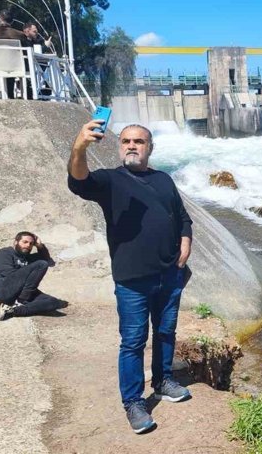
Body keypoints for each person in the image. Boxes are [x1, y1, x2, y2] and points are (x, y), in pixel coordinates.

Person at [67, 121, 193, 434]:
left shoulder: (163, 179)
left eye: (139, 141)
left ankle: (163, 380)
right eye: (126, 141)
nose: (132, 145)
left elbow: (182, 217)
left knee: (165, 331)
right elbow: (78, 181)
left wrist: (185, 242)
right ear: (118, 145)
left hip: (169, 275)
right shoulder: (110, 180)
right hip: (133, 280)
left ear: (150, 147)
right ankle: (134, 402)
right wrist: (79, 146)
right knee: (134, 342)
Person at [0, 231, 68, 321]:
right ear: (15, 242)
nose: (28, 245)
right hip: (2, 289)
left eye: (31, 244)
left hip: (19, 292)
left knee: (54, 302)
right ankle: (21, 301)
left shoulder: (27, 257)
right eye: (25, 242)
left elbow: (46, 259)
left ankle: (12, 310)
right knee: (41, 264)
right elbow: (10, 275)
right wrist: (25, 295)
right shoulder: (4, 253)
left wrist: (39, 245)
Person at [0, 9, 28, 99]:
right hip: (16, 66)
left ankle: (5, 96)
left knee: (4, 64)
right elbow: (26, 52)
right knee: (17, 64)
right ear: (12, 21)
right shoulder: (20, 34)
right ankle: (25, 94)